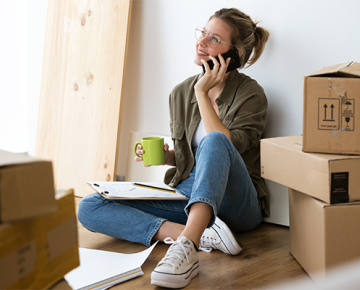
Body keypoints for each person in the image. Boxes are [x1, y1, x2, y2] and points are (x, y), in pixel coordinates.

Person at [78, 7, 270, 289]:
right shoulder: (181, 92)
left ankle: (186, 248)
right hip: (189, 193)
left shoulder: (250, 94)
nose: (202, 42)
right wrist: (168, 157)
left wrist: (203, 93)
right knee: (90, 205)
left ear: (235, 54)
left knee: (215, 140)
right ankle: (198, 234)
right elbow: (191, 159)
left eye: (214, 39)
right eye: (203, 33)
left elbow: (226, 148)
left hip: (237, 201)